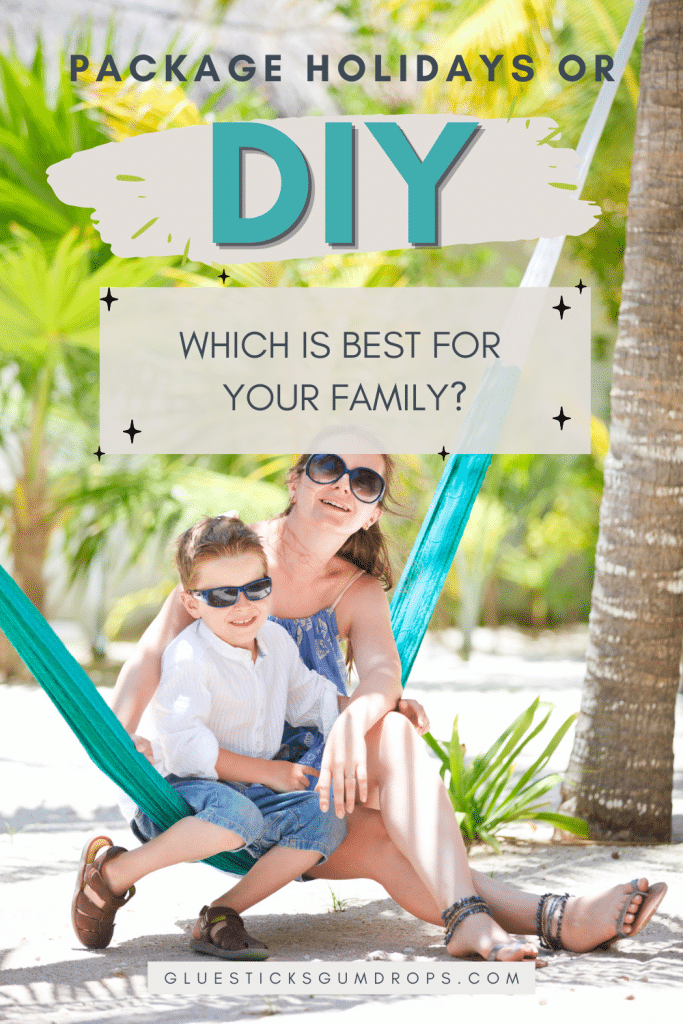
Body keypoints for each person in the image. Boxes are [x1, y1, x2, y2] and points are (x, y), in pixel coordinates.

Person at [111, 452, 667, 960]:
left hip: (313, 782)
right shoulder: (233, 558)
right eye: (328, 467)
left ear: (373, 512)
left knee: (393, 735)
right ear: (296, 479)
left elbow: (381, 676)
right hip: (219, 780)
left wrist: (359, 715)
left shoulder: (357, 589)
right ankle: (550, 917)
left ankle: (504, 918)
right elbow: (151, 657)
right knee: (386, 827)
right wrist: (119, 746)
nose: (344, 486)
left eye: (366, 480)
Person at [72, 515, 348, 959]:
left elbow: (312, 701)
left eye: (256, 589)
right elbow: (186, 748)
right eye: (222, 595)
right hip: (180, 792)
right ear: (192, 603)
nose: (243, 606)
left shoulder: (275, 642)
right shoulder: (189, 656)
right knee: (238, 815)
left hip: (245, 796)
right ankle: (114, 873)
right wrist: (269, 771)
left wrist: (381, 707)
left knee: (327, 817)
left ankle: (220, 914)